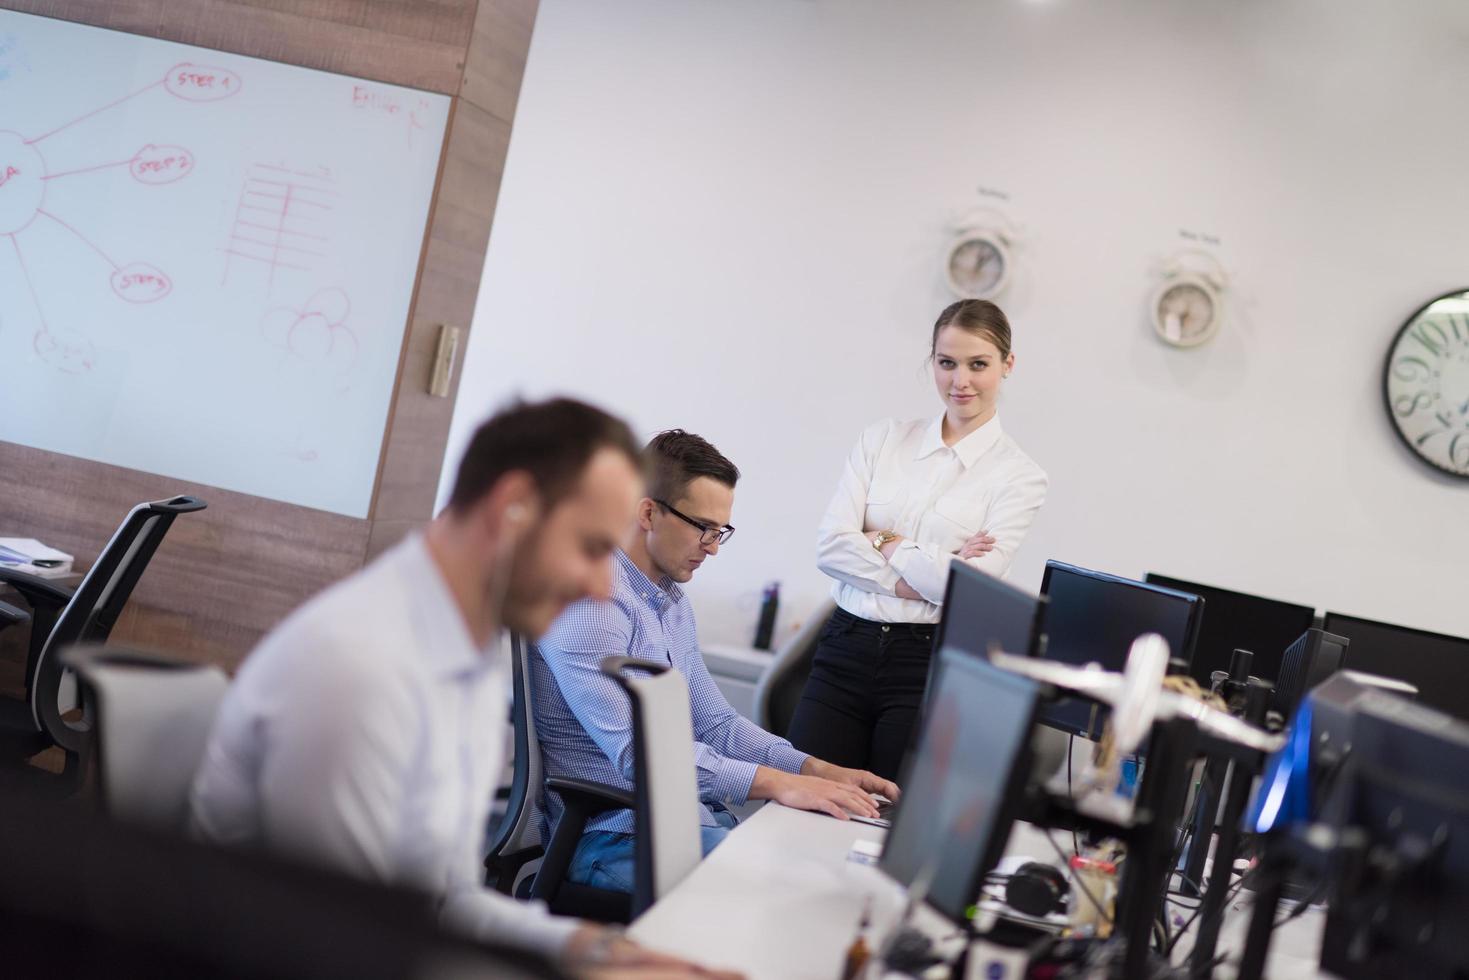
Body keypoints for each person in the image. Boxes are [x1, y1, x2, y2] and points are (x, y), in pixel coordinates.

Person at [189, 399, 737, 979]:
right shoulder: (359, 672)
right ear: (512, 509)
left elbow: (446, 900)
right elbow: (345, 947)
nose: (603, 588)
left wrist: (591, 951)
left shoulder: (466, 662)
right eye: (591, 548)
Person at [533, 429, 899, 895]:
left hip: (682, 822)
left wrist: (812, 769)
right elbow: (640, 758)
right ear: (648, 512)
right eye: (703, 527)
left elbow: (715, 723)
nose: (713, 546)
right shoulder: (590, 603)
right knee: (783, 894)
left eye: (721, 531)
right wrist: (777, 784)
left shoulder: (667, 601)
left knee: (823, 863)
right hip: (612, 836)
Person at [788, 299, 1049, 780]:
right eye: (947, 363)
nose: (960, 381)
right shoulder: (883, 440)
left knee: (889, 821)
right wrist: (924, 573)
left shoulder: (1019, 478)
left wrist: (883, 538)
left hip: (925, 665)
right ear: (932, 360)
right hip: (845, 646)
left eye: (978, 365)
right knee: (801, 797)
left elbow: (968, 591)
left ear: (1007, 365)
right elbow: (830, 546)